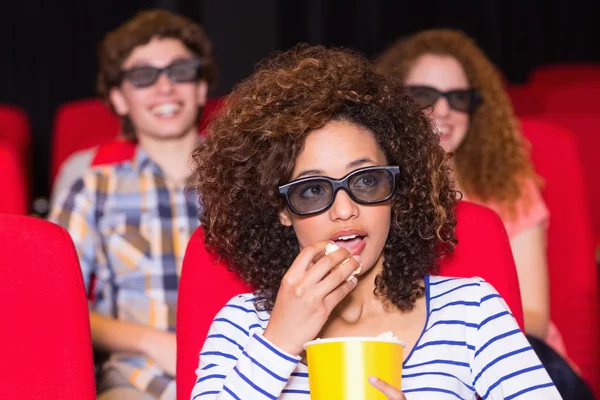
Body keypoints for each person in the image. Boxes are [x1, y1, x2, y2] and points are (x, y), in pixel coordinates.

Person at [189, 45, 560, 399]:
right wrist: (279, 342)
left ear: (397, 190)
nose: (345, 209)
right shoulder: (241, 325)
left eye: (366, 181)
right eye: (313, 190)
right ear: (282, 210)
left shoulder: (471, 311)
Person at [377, 29, 594, 399]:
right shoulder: (371, 189)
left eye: (457, 98)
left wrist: (449, 354)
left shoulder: (508, 186)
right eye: (425, 95)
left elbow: (534, 317)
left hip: (516, 356)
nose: (443, 109)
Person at [49, 9, 216, 400]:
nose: (164, 87)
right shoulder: (92, 188)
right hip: (135, 381)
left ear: (202, 87)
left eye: (180, 70)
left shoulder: (247, 180)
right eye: (143, 76)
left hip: (243, 371)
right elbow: (55, 304)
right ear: (119, 98)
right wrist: (151, 342)